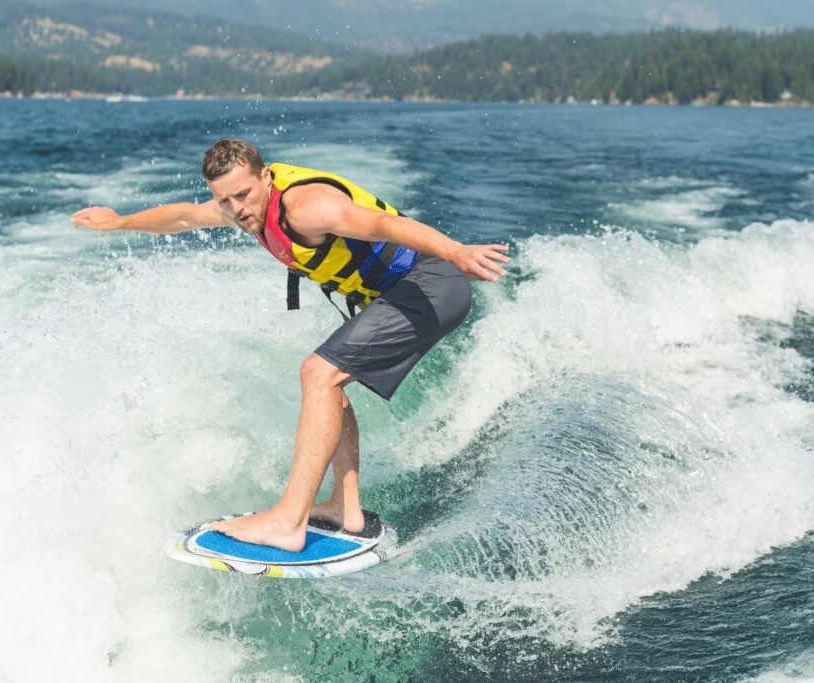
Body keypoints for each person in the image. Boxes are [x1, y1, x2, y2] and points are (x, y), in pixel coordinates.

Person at [71, 138, 510, 551]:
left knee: (318, 373)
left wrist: (455, 252)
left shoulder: (305, 208)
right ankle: (345, 507)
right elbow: (185, 216)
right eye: (224, 200)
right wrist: (119, 222)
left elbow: (383, 224)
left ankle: (290, 521)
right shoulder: (242, 207)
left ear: (266, 178)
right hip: (404, 289)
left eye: (242, 195)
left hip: (431, 283)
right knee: (328, 383)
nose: (236, 209)